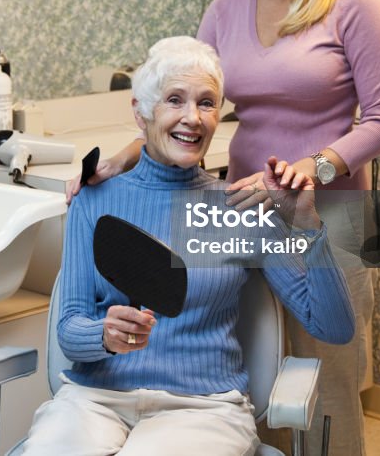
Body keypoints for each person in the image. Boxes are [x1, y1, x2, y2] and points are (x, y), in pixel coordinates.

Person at [68, 0, 380, 455]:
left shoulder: (355, 1)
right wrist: (124, 156)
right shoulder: (225, 9)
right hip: (241, 210)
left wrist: (314, 166)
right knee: (258, 373)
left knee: (327, 382)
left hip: (322, 215)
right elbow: (187, 99)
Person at [22, 36, 355, 456]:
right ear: (141, 112)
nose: (193, 118)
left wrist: (307, 224)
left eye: (207, 103)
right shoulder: (93, 200)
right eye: (175, 100)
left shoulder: (241, 209)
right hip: (94, 401)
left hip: (203, 410)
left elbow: (334, 328)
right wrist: (103, 335)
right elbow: (69, 329)